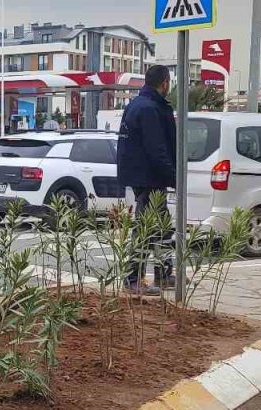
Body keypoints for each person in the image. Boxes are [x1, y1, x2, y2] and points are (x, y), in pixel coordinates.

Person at [116, 64, 177, 296]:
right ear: (164, 83)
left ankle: (163, 274)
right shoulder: (150, 109)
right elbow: (157, 148)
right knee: (146, 229)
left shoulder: (137, 105)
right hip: (150, 179)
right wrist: (173, 176)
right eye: (168, 82)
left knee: (161, 229)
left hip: (144, 178)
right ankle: (133, 279)